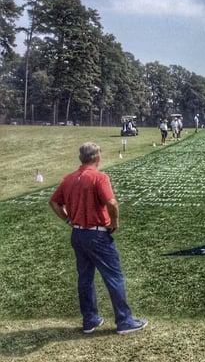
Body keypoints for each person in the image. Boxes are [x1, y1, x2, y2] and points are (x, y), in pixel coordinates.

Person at [48, 142, 147, 335]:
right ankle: (124, 321)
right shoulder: (99, 177)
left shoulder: (68, 178)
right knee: (114, 277)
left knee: (85, 279)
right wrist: (114, 222)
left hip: (77, 234)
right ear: (96, 157)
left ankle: (90, 319)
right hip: (97, 235)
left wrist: (68, 219)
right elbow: (112, 203)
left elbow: (53, 202)